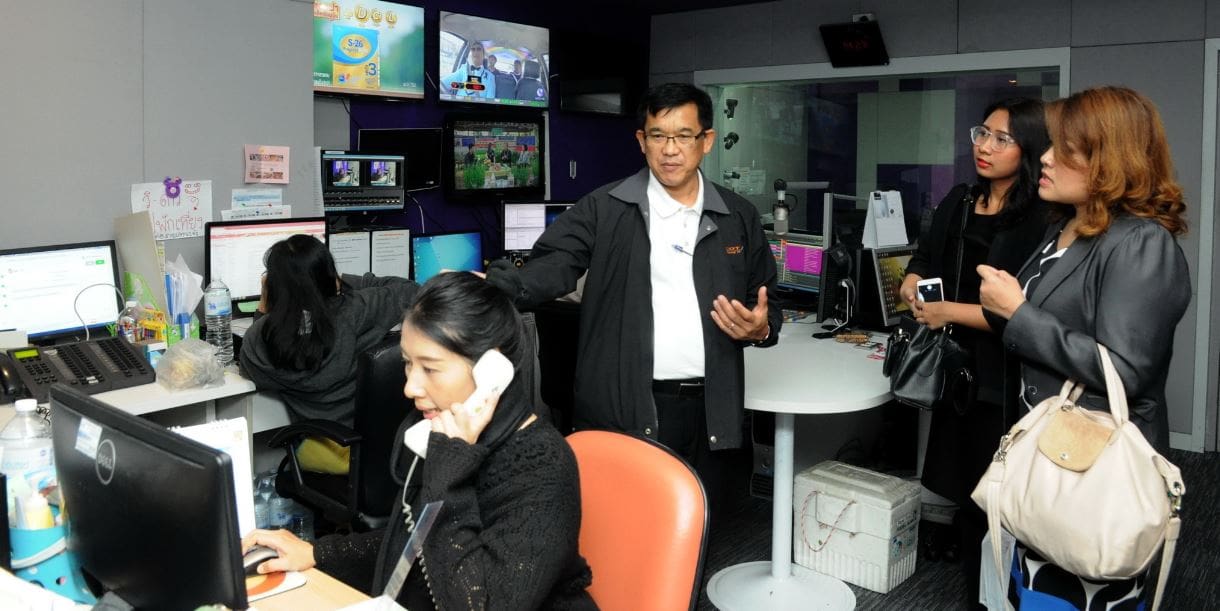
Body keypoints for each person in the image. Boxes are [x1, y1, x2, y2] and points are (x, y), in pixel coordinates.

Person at [484, 82, 781, 506]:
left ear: (707, 141)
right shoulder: (604, 207)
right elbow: (557, 262)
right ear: (642, 141)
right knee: (621, 520)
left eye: (684, 136)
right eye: (658, 135)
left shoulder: (738, 216)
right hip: (625, 404)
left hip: (710, 410)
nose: (670, 149)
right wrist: (504, 287)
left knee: (698, 523)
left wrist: (761, 328)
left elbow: (768, 302)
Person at [242, 273, 595, 610]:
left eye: (430, 368)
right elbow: (418, 543)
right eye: (408, 364)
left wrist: (450, 472)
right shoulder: (442, 432)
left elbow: (479, 602)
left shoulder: (540, 465)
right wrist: (317, 553)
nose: (410, 387)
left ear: (493, 369)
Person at [978, 86, 1190, 607]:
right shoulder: (1067, 225)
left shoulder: (1140, 242)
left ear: (1109, 161)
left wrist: (1019, 314)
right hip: (1046, 457)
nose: (1046, 158)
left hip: (1092, 474)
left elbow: (1125, 369)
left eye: (1065, 150)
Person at [899, 98, 1051, 609]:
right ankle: (977, 591)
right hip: (954, 367)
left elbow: (1019, 312)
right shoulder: (962, 199)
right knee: (966, 485)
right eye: (982, 133)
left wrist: (947, 312)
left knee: (998, 493)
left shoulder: (1041, 217)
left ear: (1029, 149)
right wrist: (913, 278)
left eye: (1002, 139)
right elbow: (926, 254)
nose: (984, 146)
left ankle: (997, 596)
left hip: (1002, 375)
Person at [239, 235, 417, 470]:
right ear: (329, 274)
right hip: (385, 450)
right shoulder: (359, 308)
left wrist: (263, 308)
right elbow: (412, 290)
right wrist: (340, 280)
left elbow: (249, 369)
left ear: (273, 284)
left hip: (325, 452)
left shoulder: (261, 338)